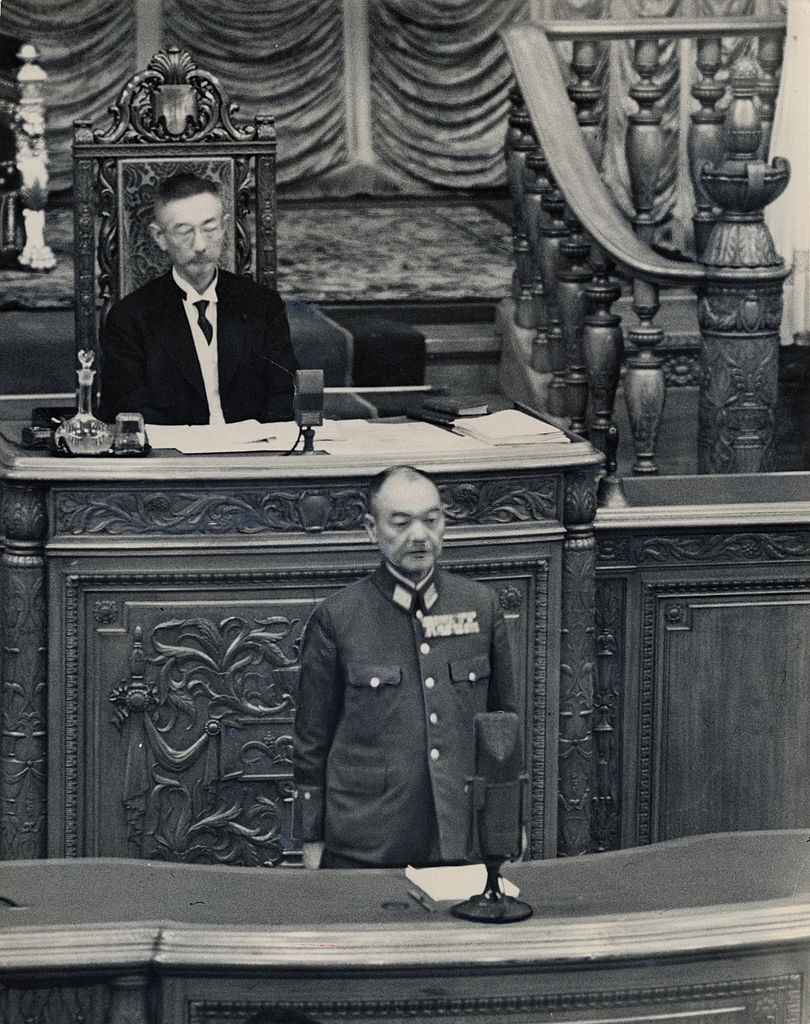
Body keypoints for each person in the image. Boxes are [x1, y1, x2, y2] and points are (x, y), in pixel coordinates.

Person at [292, 465, 518, 869]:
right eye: (401, 522)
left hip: (460, 836)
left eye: (432, 520)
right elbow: (311, 743)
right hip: (366, 841)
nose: (419, 535)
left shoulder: (481, 606)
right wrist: (312, 837)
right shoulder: (337, 618)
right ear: (370, 529)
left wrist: (505, 823)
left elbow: (504, 726)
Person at [98, 172, 298, 426]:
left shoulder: (262, 305)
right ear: (160, 237)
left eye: (210, 228)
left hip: (254, 452)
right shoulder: (130, 317)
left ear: (225, 226)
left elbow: (284, 391)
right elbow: (127, 402)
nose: (201, 245)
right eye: (184, 232)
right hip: (172, 457)